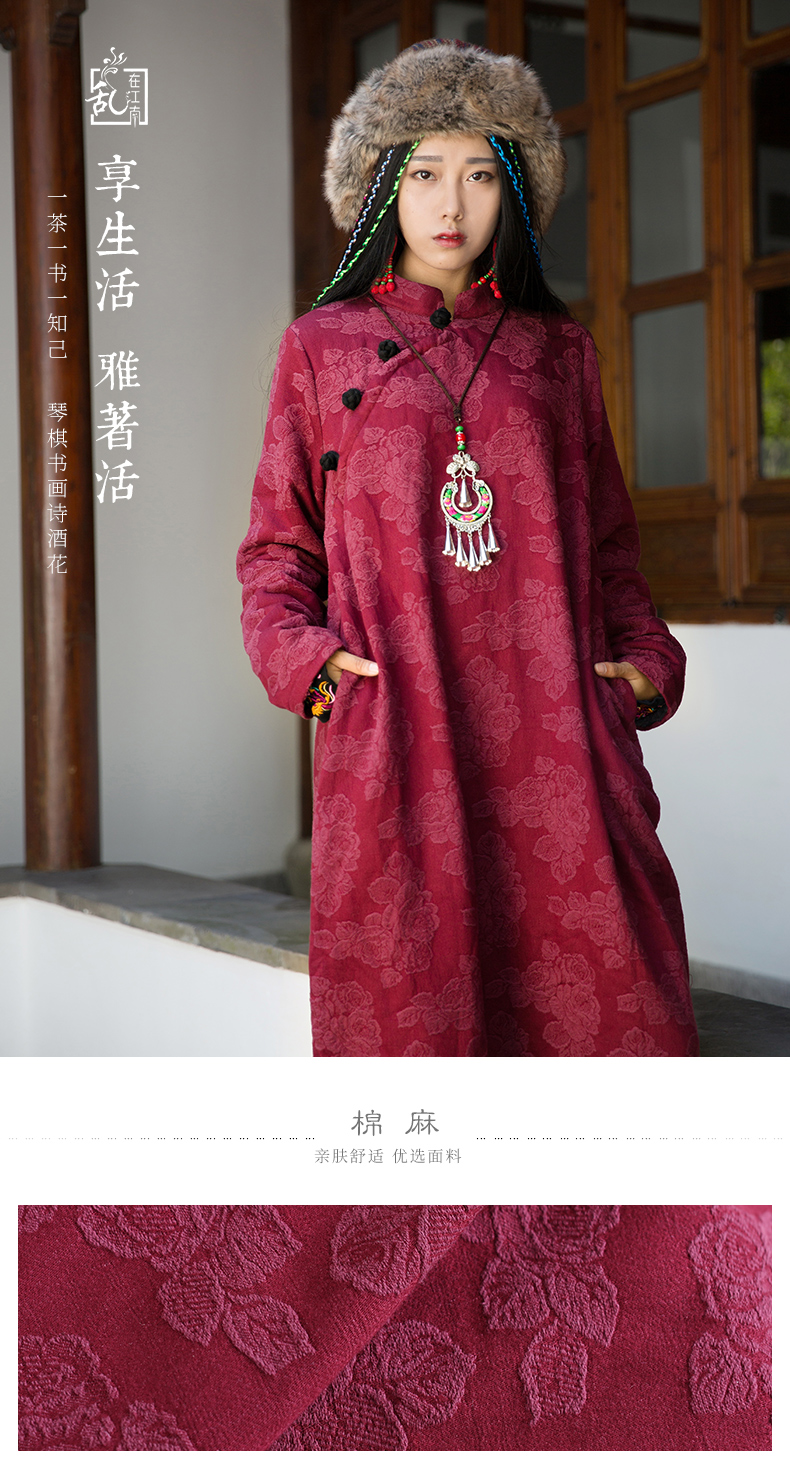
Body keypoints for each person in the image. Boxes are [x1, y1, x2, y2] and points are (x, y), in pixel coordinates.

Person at [237, 39, 699, 1058]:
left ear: (515, 190)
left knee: (613, 1036)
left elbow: (613, 547)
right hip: (402, 731)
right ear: (381, 188)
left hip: (561, 743)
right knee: (420, 1040)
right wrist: (312, 668)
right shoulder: (319, 346)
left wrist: (643, 670)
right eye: (425, 173)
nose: (452, 204)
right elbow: (276, 553)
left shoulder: (557, 351)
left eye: (482, 174)